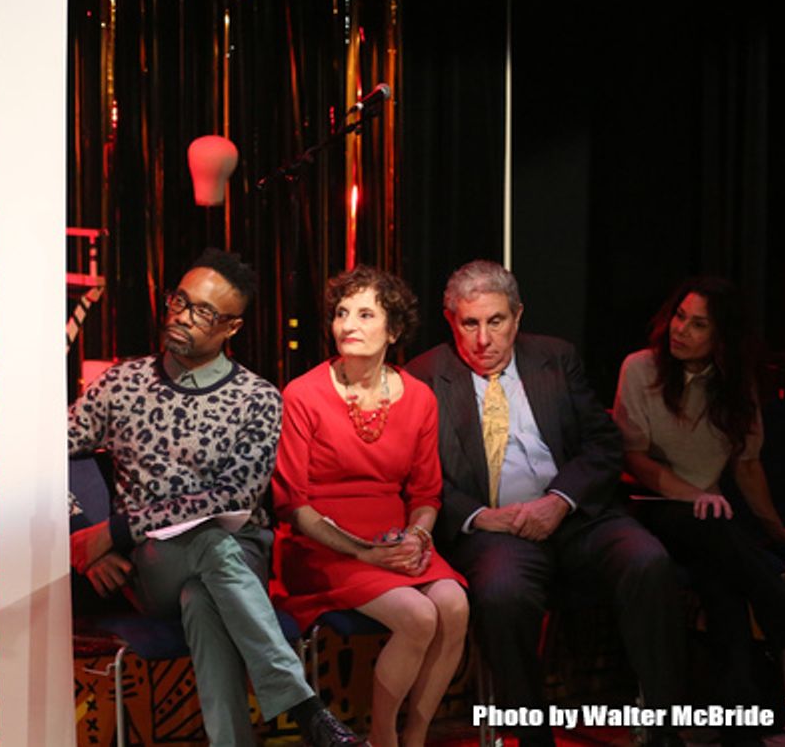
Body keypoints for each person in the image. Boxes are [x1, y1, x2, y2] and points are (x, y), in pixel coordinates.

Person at [67, 248, 364, 747]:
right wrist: (85, 536)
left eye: (203, 312)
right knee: (208, 550)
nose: (182, 317)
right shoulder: (122, 383)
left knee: (203, 593)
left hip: (237, 556)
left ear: (232, 328)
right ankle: (304, 706)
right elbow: (41, 457)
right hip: (153, 564)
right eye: (180, 302)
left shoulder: (257, 399)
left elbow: (231, 498)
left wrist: (115, 529)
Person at [406, 259, 686, 747]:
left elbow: (603, 445)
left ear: (517, 316)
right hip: (496, 527)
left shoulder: (555, 357)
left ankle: (665, 728)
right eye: (469, 324)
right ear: (451, 321)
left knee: (648, 560)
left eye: (496, 322)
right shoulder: (425, 376)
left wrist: (560, 501)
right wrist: (478, 516)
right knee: (502, 593)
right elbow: (418, 475)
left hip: (573, 515)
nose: (483, 340)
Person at [612, 277, 785, 726]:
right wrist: (693, 494)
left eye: (698, 324)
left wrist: (775, 530)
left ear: (722, 337)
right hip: (651, 506)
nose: (680, 330)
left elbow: (747, 466)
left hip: (709, 517)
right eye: (679, 316)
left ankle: (738, 716)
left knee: (721, 579)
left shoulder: (736, 385)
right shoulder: (639, 369)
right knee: (709, 530)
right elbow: (635, 459)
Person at [273, 266, 469, 747]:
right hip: (322, 544)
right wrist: (362, 552)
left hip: (394, 539)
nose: (348, 325)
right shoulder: (302, 395)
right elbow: (290, 502)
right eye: (342, 313)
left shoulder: (419, 398)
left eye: (365, 314)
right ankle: (383, 738)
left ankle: (416, 735)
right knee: (419, 616)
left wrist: (418, 535)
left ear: (394, 330)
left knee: (454, 604)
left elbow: (425, 494)